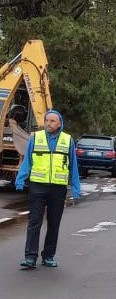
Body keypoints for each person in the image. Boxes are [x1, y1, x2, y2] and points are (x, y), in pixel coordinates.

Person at [14, 109, 81, 269]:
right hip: (38, 186)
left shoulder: (67, 140)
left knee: (54, 223)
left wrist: (76, 187)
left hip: (58, 189)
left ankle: (48, 256)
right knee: (34, 221)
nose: (48, 123)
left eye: (52, 121)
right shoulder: (35, 138)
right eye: (46, 120)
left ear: (59, 124)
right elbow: (27, 161)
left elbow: (73, 166)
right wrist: (20, 179)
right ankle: (30, 257)